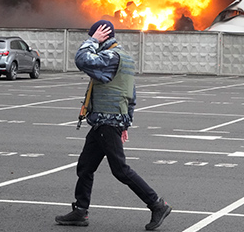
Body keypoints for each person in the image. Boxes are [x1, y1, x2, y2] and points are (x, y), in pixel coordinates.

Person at [55, 20, 172, 230]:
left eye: (97, 36)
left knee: (120, 170)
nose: (94, 40)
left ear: (103, 35)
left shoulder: (110, 56)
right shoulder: (124, 57)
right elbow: (131, 95)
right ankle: (80, 211)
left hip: (107, 123)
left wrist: (92, 40)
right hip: (105, 123)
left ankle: (157, 204)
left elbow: (81, 60)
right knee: (85, 166)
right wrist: (126, 123)